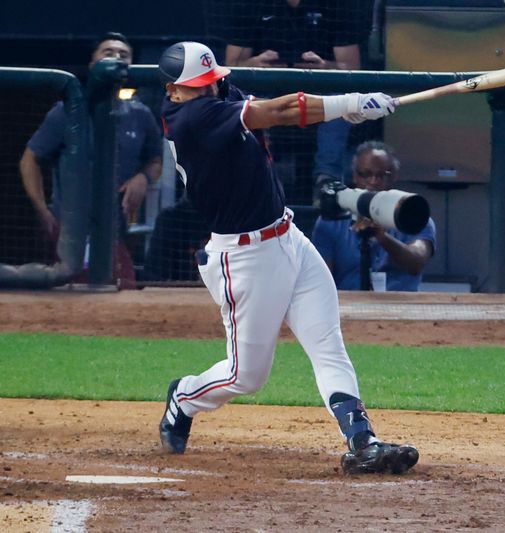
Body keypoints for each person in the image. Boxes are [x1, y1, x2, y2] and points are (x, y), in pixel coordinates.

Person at [156, 41, 418, 475]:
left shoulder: (219, 94)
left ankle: (362, 441)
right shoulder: (189, 120)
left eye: (210, 82)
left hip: (289, 237)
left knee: (327, 343)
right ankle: (184, 396)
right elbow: (277, 112)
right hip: (243, 258)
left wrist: (340, 112)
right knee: (246, 376)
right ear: (173, 92)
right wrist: (349, 102)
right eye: (196, 87)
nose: (208, 90)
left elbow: (277, 109)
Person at [20, 32, 163, 246]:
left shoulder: (141, 114)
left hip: (115, 236)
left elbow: (155, 161)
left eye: (123, 54)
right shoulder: (67, 111)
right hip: (68, 233)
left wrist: (142, 178)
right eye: (108, 52)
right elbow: (29, 159)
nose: (117, 57)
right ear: (92, 64)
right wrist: (42, 210)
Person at [218, 0, 372, 198]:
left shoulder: (338, 6)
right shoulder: (249, 5)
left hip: (320, 90)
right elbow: (232, 65)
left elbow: (352, 67)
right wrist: (256, 64)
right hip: (265, 91)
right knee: (239, 101)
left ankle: (327, 183)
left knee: (341, 100)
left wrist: (325, 66)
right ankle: (255, 179)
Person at [311, 141, 436, 291]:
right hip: (348, 308)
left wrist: (382, 237)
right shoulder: (331, 220)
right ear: (355, 175)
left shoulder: (415, 216)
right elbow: (320, 280)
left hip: (400, 309)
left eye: (381, 175)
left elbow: (416, 262)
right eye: (365, 174)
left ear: (394, 176)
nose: (373, 182)